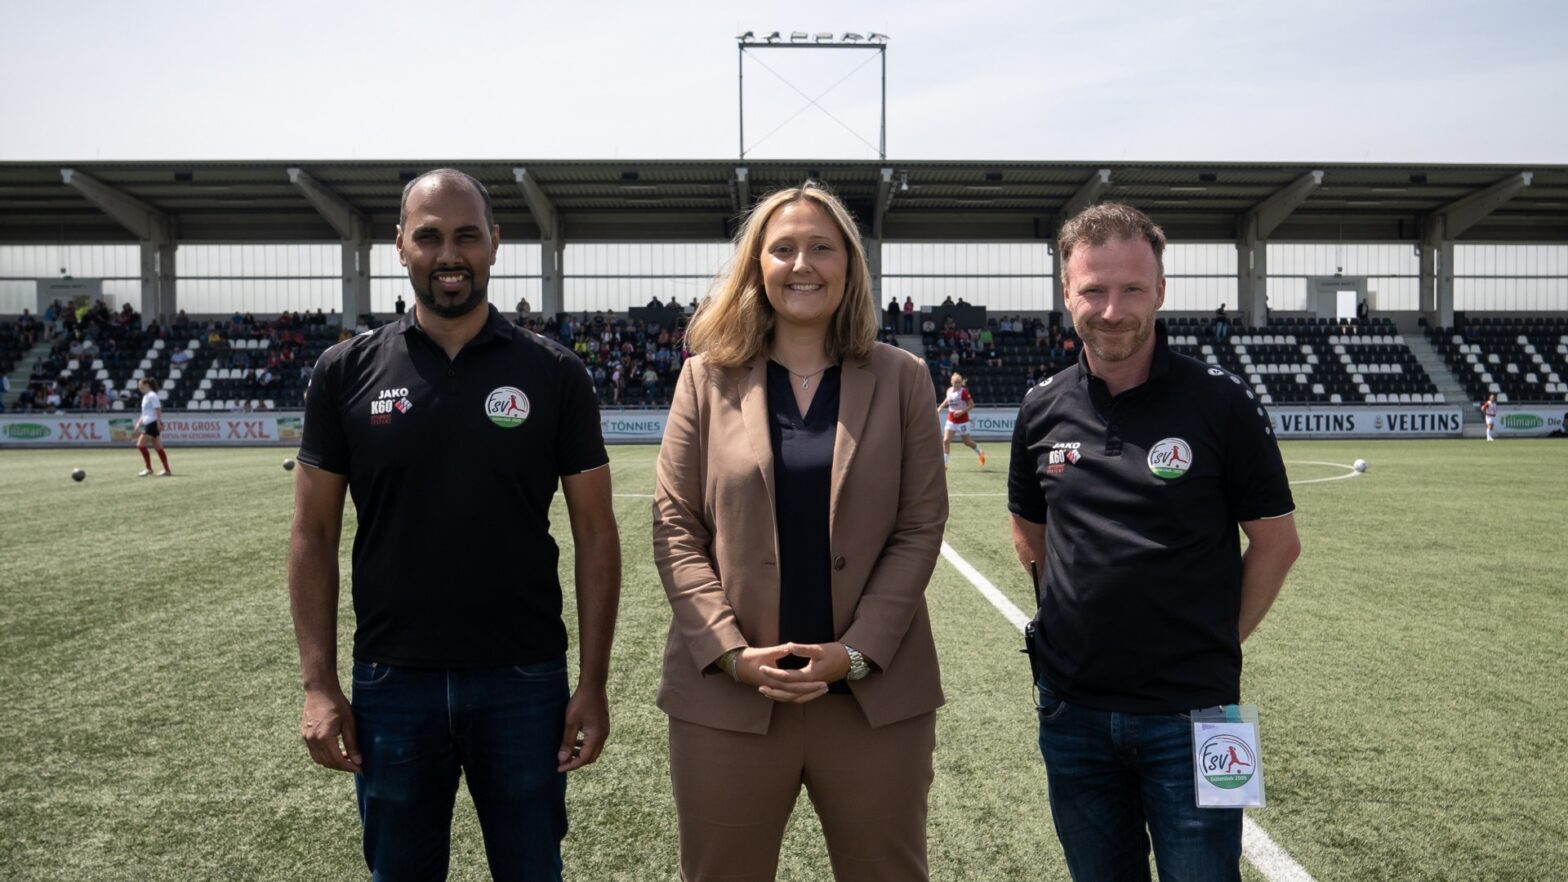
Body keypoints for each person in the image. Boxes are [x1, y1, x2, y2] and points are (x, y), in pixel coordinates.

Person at [288, 169, 622, 882]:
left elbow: (596, 532)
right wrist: (319, 685)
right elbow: (312, 535)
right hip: (391, 680)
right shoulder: (344, 372)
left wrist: (592, 681)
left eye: (467, 236)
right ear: (400, 246)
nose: (450, 254)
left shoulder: (555, 374)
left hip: (525, 679)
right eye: (430, 236)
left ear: (495, 245)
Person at [651, 181, 948, 882]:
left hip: (874, 705)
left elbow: (919, 525)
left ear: (850, 263)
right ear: (757, 265)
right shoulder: (703, 380)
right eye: (781, 248)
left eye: (821, 246)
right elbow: (674, 528)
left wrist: (859, 652)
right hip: (730, 703)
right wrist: (728, 652)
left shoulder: (904, 378)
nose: (801, 263)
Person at [1008, 203, 1300, 882]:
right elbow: (1028, 526)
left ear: (1161, 291)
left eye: (1132, 289)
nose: (1113, 310)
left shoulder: (1222, 402)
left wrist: (1215, 641)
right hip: (1071, 712)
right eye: (1094, 290)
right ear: (1066, 294)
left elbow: (1278, 544)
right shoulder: (1040, 406)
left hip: (1203, 715)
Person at [938, 372, 986, 468]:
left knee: (967, 442)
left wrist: (961, 412)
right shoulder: (949, 390)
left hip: (962, 421)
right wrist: (940, 408)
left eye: (959, 383)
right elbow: (947, 400)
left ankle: (981, 452)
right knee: (946, 441)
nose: (958, 384)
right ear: (952, 383)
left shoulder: (964, 392)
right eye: (956, 383)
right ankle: (944, 464)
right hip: (951, 420)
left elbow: (972, 405)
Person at [134, 377, 172, 476]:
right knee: (158, 447)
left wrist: (159, 422)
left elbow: (158, 409)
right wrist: (139, 423)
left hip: (152, 423)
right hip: (148, 423)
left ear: (147, 385)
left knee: (140, 445)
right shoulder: (145, 396)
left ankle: (148, 468)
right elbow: (144, 413)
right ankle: (167, 470)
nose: (139, 386)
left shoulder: (152, 395)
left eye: (140, 384)